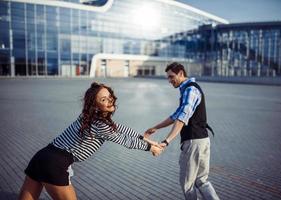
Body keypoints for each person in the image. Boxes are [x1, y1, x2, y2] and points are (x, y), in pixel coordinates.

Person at [19, 82, 162, 200]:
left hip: (41, 156)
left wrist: (146, 139)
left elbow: (121, 128)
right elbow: (124, 140)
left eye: (109, 96)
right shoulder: (100, 126)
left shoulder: (87, 117)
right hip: (55, 165)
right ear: (95, 105)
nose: (109, 100)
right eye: (103, 99)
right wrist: (151, 148)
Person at [144, 62, 220, 200]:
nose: (169, 80)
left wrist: (166, 141)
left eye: (171, 76)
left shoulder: (190, 90)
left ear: (181, 73)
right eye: (167, 77)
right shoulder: (188, 90)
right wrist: (155, 127)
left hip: (193, 142)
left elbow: (181, 118)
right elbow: (176, 115)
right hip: (202, 140)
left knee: (187, 184)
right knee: (201, 181)